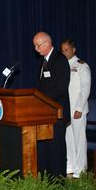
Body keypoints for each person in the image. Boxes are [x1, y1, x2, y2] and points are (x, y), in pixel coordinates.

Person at [33, 32, 71, 177]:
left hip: (57, 113)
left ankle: (58, 180)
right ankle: (46, 177)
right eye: (35, 46)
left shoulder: (59, 60)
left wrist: (41, 98)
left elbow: (60, 87)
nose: (36, 49)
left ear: (47, 43)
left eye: (38, 45)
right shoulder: (44, 62)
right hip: (45, 113)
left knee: (56, 147)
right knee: (45, 147)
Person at [61, 39, 91, 178]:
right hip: (67, 109)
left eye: (66, 49)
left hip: (78, 109)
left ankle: (81, 170)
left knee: (79, 139)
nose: (64, 52)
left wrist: (79, 107)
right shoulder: (63, 66)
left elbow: (85, 88)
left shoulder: (81, 66)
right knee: (69, 139)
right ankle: (70, 166)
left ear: (74, 50)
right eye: (62, 50)